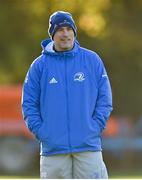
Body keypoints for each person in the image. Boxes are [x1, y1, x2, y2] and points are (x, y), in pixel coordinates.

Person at [21, 11, 113, 179]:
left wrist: (95, 127)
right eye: (60, 29)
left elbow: (105, 99)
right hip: (53, 150)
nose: (65, 34)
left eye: (68, 29)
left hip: (88, 147)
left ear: (74, 32)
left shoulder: (92, 60)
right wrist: (43, 132)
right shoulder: (39, 66)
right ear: (52, 34)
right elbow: (28, 104)